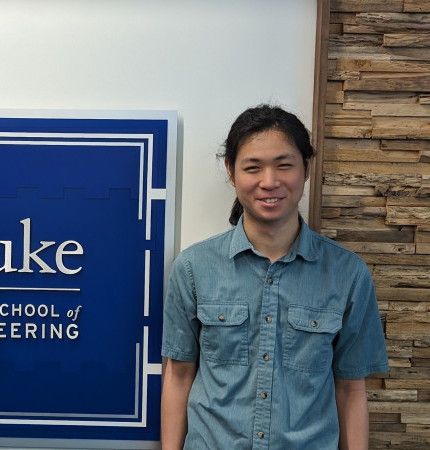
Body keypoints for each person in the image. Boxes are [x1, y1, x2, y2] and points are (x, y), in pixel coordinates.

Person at [160, 104, 388, 449]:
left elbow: (351, 389)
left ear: (306, 168)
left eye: (284, 165)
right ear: (231, 171)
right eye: (253, 167)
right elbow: (178, 377)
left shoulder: (348, 273)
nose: (270, 182)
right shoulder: (193, 267)